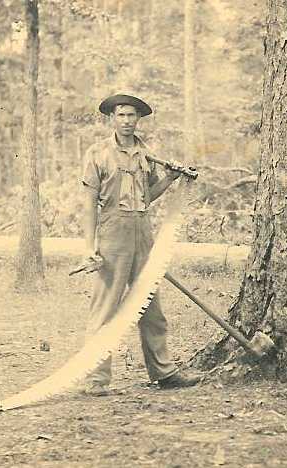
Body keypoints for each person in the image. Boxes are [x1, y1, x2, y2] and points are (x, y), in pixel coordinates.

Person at [80, 93, 201, 396]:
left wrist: (172, 178)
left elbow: (149, 196)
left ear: (138, 120)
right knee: (106, 307)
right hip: (113, 232)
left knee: (149, 304)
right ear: (112, 118)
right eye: (121, 115)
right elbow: (88, 204)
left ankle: (163, 371)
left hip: (143, 231)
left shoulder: (147, 154)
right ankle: (96, 379)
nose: (127, 121)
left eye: (132, 116)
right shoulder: (98, 153)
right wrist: (89, 247)